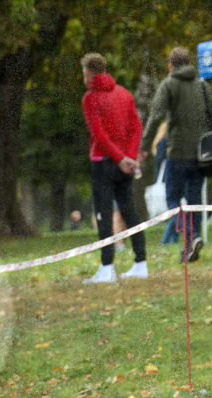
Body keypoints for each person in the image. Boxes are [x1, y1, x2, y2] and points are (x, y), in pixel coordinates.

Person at [139, 47, 212, 263]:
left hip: (177, 152)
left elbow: (155, 116)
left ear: (170, 66)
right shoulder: (202, 85)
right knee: (194, 201)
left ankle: (190, 235)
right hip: (201, 154)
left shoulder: (168, 84)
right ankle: (192, 245)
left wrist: (144, 146)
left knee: (173, 199)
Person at [80, 53, 147, 283]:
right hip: (124, 165)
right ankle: (141, 263)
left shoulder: (90, 98)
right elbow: (136, 128)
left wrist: (120, 158)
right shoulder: (124, 94)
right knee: (129, 211)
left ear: (88, 72)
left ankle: (107, 268)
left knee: (104, 214)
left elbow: (98, 134)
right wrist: (129, 157)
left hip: (103, 163)